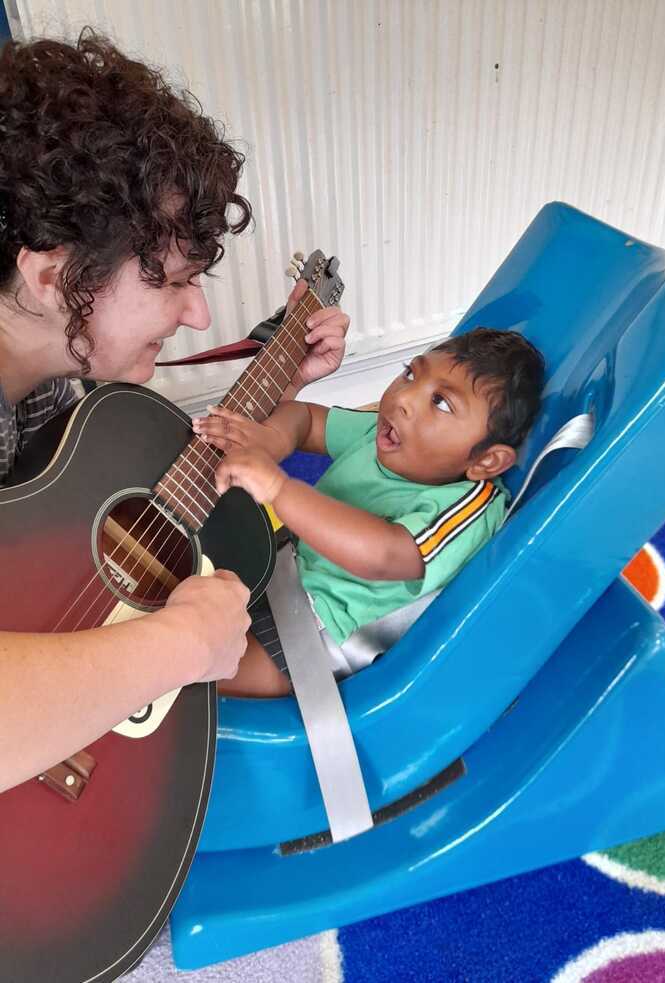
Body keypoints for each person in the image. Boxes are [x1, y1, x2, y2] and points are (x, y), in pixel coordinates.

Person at [0, 31, 349, 792]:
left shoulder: (42, 364)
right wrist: (181, 645)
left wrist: (274, 376)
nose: (196, 314)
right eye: (172, 282)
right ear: (54, 275)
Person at [192, 327, 545, 697]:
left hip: (311, 636)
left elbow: (384, 554)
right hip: (277, 566)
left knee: (193, 669)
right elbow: (307, 419)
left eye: (441, 403)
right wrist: (273, 441)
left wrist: (279, 488)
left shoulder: (466, 506)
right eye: (411, 372)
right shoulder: (385, 437)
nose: (404, 398)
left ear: (487, 460)